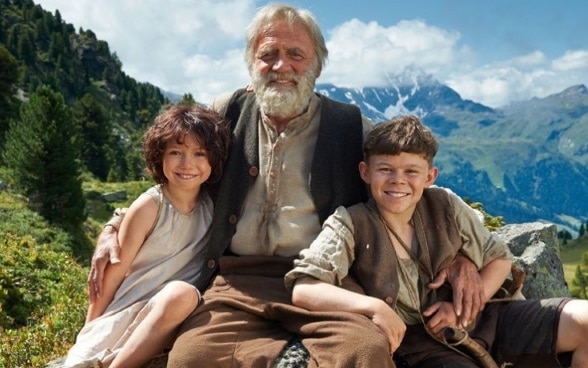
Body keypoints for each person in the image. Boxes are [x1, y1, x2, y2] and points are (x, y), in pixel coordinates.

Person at [89, 4, 487, 367]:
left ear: (317, 65)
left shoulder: (349, 125)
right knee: (193, 357)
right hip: (235, 283)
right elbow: (176, 176)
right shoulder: (226, 112)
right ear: (252, 63)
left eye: (296, 54)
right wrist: (114, 225)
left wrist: (461, 256)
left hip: (328, 283)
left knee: (363, 352)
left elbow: (403, 186)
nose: (282, 65)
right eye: (268, 54)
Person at [286, 115, 588, 367]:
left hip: (490, 318)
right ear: (365, 172)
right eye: (385, 169)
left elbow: (499, 258)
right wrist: (374, 307)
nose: (398, 180)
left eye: (411, 171)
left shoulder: (445, 203)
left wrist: (463, 308)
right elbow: (305, 288)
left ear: (430, 176)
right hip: (425, 344)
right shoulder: (350, 222)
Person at [64, 105, 231, 368]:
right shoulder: (150, 206)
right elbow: (112, 275)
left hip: (173, 310)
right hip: (131, 309)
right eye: (176, 152)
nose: (187, 164)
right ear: (159, 156)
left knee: (181, 295)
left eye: (200, 153)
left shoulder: (214, 206)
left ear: (214, 159)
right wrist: (89, 329)